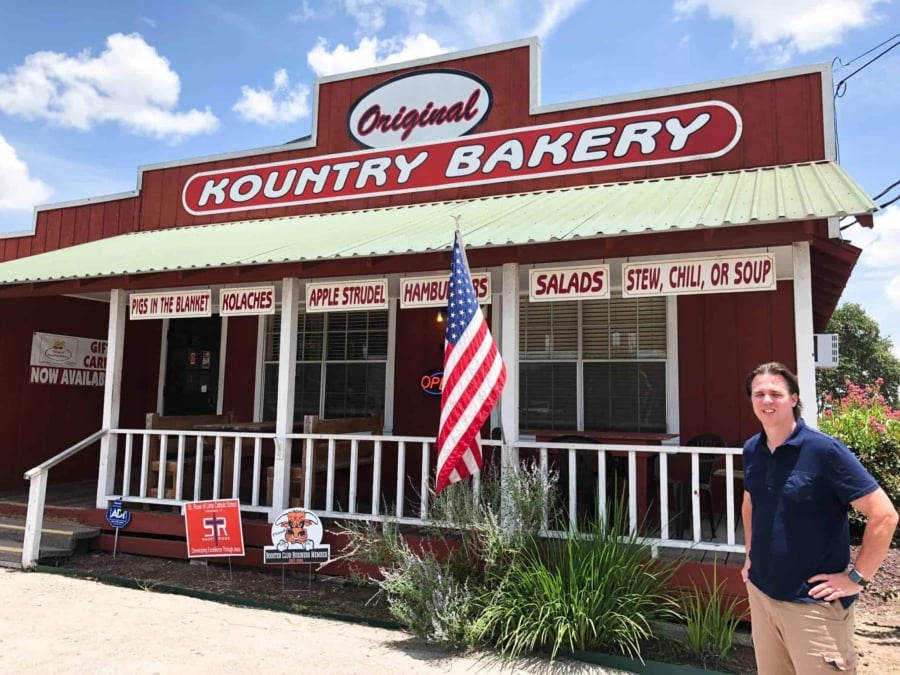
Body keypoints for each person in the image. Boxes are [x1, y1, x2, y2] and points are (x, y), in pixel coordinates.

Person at [741, 362, 898, 674]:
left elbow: (884, 514)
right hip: (761, 595)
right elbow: (750, 502)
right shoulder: (752, 449)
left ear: (794, 398)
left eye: (776, 393)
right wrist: (749, 556)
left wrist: (857, 577)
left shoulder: (825, 451)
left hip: (811, 606)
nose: (767, 400)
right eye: (759, 394)